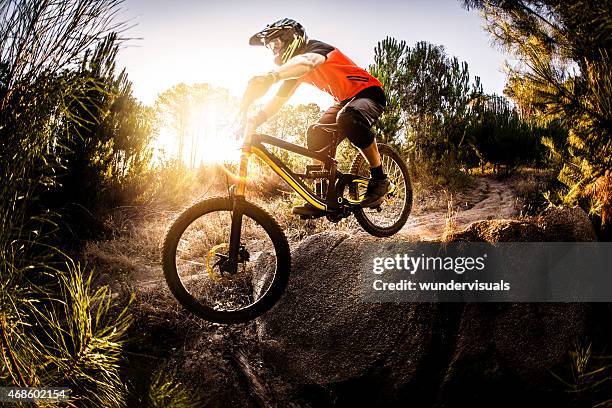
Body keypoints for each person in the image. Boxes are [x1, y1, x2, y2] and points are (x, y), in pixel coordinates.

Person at [243, 18, 389, 215]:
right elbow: (276, 103)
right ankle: (321, 197)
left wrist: (272, 76)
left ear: (292, 37)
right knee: (315, 132)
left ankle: (379, 179)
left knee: (348, 118)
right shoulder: (294, 71)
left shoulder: (316, 49)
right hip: (345, 101)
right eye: (270, 47)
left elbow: (309, 62)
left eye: (276, 43)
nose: (274, 50)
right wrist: (252, 120)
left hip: (368, 92)